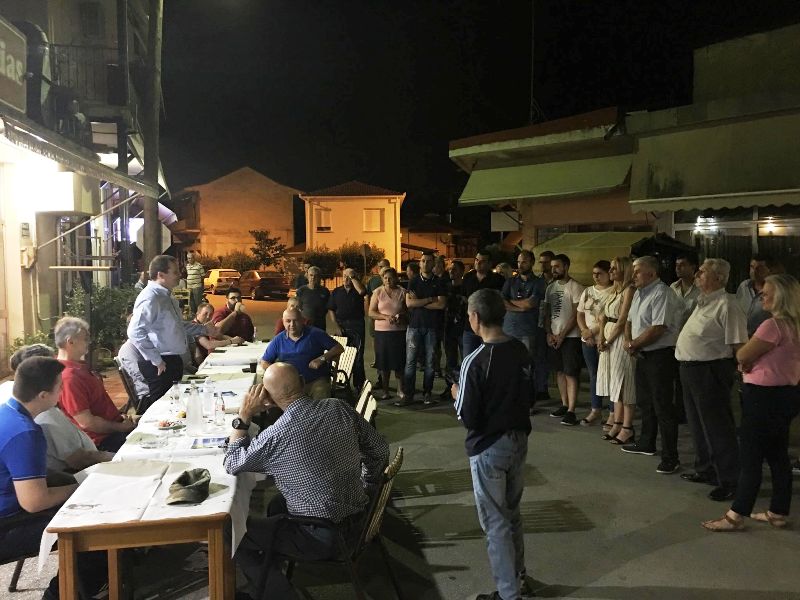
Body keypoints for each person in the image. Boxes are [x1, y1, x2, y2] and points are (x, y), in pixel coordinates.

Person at [223, 363, 389, 600]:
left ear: (268, 399)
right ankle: (272, 567)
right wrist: (368, 485)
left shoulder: (276, 435)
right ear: (302, 381)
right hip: (360, 520)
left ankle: (279, 595)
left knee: (230, 531)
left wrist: (244, 416)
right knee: (278, 504)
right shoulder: (338, 407)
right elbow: (379, 450)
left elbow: (232, 462)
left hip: (323, 536)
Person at [0, 357, 106, 600]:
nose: (62, 391)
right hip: (8, 526)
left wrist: (73, 481)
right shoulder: (25, 432)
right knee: (98, 526)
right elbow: (34, 502)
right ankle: (60, 594)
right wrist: (80, 486)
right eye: (60, 387)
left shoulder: (7, 413)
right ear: (44, 395)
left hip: (10, 509)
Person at [452, 289, 533, 600]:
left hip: (488, 447)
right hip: (518, 440)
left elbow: (468, 416)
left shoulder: (475, 361)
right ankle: (519, 578)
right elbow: (529, 397)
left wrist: (457, 394)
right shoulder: (520, 350)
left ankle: (508, 593)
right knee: (512, 513)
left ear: (475, 318)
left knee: (495, 522)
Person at [703, 274, 800, 531]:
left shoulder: (773, 326)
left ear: (781, 296)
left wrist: (745, 360)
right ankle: (778, 510)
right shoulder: (795, 326)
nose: (762, 296)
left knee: (751, 456)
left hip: (763, 397)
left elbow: (744, 353)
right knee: (778, 454)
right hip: (787, 394)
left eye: (767, 293)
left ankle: (736, 515)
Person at [676, 259, 747, 502]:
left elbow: (739, 343)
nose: (697, 274)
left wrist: (742, 373)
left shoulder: (727, 304)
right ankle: (706, 468)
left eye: (703, 272)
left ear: (719, 278)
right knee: (697, 424)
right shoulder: (703, 301)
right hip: (690, 369)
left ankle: (730, 480)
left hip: (710, 370)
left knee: (717, 426)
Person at [5, 344, 113, 473]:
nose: (62, 388)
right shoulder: (45, 416)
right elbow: (81, 459)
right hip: (80, 471)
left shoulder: (15, 396)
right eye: (59, 385)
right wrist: (118, 458)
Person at [620, 256, 683, 474]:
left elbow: (658, 328)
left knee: (663, 406)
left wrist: (633, 344)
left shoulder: (662, 293)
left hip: (660, 356)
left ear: (652, 273)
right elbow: (629, 321)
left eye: (637, 270)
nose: (633, 275)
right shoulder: (639, 293)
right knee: (645, 402)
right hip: (642, 354)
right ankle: (647, 442)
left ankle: (670, 456)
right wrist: (629, 342)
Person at [128, 255, 218, 404]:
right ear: (161, 275)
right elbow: (135, 332)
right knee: (162, 407)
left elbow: (178, 326)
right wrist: (156, 360)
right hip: (160, 362)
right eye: (175, 272)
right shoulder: (151, 297)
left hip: (171, 359)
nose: (180, 275)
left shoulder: (166, 296)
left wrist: (203, 329)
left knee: (175, 405)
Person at [55, 317, 137, 453]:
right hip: (103, 442)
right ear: (70, 342)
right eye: (85, 338)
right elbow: (87, 422)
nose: (89, 342)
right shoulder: (69, 377)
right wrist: (121, 427)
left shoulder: (77, 368)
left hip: (113, 431)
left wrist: (120, 420)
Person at [259, 307, 344, 399]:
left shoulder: (316, 334)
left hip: (315, 380)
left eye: (295, 321)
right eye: (288, 321)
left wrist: (321, 358)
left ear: (302, 321)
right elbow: (264, 362)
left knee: (320, 394)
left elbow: (339, 348)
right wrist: (278, 373)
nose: (292, 324)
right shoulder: (278, 340)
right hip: (290, 384)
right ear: (283, 322)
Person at [596, 257, 637, 444]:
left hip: (619, 338)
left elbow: (623, 319)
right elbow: (603, 316)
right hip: (608, 336)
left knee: (624, 382)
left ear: (624, 270)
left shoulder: (630, 290)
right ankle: (617, 423)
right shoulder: (614, 290)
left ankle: (627, 426)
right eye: (611, 268)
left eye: (614, 268)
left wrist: (608, 340)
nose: (611, 271)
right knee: (614, 383)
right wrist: (600, 337)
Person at [398, 252, 447, 406]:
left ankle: (427, 393)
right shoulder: (413, 281)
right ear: (420, 263)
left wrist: (419, 302)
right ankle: (409, 395)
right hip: (414, 326)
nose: (425, 264)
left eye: (429, 261)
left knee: (430, 363)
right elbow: (409, 304)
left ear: (433, 264)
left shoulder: (439, 282)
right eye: (423, 261)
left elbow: (441, 304)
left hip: (432, 327)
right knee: (410, 362)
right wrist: (430, 299)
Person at [501, 250, 546, 413]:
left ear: (532, 262)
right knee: (509, 367)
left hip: (528, 331)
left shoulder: (538, 283)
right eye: (519, 262)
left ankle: (528, 403)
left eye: (524, 262)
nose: (520, 265)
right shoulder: (511, 281)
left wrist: (512, 304)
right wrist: (520, 307)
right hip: (509, 330)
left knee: (527, 368)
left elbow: (531, 304)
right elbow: (502, 301)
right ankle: (511, 400)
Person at [544, 254, 586, 426]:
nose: (553, 269)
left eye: (557, 266)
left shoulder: (576, 287)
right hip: (554, 336)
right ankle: (564, 403)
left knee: (571, 372)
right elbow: (547, 313)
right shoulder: (550, 287)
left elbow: (576, 315)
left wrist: (562, 335)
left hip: (571, 337)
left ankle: (571, 410)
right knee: (559, 371)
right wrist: (549, 333)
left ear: (566, 267)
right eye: (552, 266)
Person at [576, 260, 613, 425]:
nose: (596, 277)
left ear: (608, 274)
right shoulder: (588, 291)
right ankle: (595, 409)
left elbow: (609, 317)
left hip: (605, 339)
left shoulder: (613, 291)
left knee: (609, 376)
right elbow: (580, 314)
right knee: (594, 375)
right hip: (587, 339)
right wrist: (585, 331)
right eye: (594, 274)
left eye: (600, 274)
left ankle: (612, 412)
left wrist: (592, 332)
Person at [369, 267, 407, 400]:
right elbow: (371, 312)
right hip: (382, 333)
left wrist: (401, 316)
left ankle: (400, 389)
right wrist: (386, 317)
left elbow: (407, 310)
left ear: (396, 278)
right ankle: (385, 391)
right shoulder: (378, 292)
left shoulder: (402, 292)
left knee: (399, 362)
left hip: (398, 332)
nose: (387, 280)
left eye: (390, 278)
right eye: (385, 278)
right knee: (384, 363)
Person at [670, 254, 700, 425]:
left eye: (682, 265)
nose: (678, 268)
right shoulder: (672, 288)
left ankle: (691, 413)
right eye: (676, 265)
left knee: (689, 381)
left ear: (693, 267)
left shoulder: (700, 288)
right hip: (673, 340)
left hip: (692, 342)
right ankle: (680, 412)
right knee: (676, 379)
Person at [328, 267, 368, 390]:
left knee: (358, 356)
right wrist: (336, 326)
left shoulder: (358, 289)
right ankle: (341, 382)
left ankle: (359, 385)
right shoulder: (336, 292)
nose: (346, 278)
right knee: (342, 356)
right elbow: (331, 309)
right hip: (341, 326)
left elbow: (362, 291)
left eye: (349, 276)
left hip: (357, 325)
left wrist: (353, 277)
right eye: (345, 276)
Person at [461, 251, 505, 356]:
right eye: (476, 260)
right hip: (470, 326)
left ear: (489, 264)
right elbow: (463, 296)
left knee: (488, 357)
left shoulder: (497, 279)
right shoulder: (468, 277)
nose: (478, 263)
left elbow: (500, 301)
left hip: (489, 327)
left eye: (482, 261)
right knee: (468, 356)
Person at [736, 254, 773, 336]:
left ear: (769, 270)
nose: (754, 271)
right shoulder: (744, 286)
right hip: (742, 336)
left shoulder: (774, 290)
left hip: (764, 337)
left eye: (759, 268)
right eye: (752, 267)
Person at [443, 260, 467, 379]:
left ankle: (464, 382)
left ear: (462, 272)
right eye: (450, 269)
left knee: (465, 358)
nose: (451, 271)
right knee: (450, 359)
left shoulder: (466, 287)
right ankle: (450, 384)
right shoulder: (446, 287)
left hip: (463, 326)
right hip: (448, 326)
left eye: (454, 269)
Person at [296, 266, 331, 331]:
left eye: (316, 276)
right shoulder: (301, 290)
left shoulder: (325, 291)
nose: (313, 277)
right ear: (307, 276)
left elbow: (328, 308)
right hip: (305, 326)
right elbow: (298, 308)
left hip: (320, 325)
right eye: (311, 275)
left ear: (319, 277)